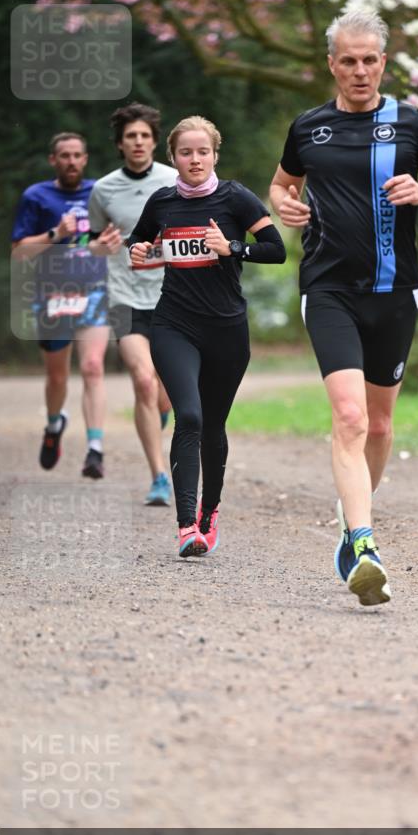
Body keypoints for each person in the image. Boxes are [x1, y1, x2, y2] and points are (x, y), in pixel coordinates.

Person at [269, 9, 418, 607]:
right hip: (328, 290)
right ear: (331, 64)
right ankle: (364, 544)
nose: (359, 70)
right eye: (348, 60)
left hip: (395, 292)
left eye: (370, 60)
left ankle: (349, 519)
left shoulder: (412, 126)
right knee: (351, 419)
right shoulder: (308, 127)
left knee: (381, 426)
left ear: (383, 63)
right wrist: (284, 205)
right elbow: (281, 185)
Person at [127, 116, 286, 558]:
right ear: (172, 157)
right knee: (190, 417)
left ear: (215, 154)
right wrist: (139, 250)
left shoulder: (235, 197)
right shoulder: (161, 203)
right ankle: (184, 527)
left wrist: (234, 248)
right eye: (185, 152)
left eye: (202, 152)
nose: (194, 160)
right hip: (174, 323)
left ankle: (209, 513)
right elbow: (139, 245)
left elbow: (277, 249)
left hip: (227, 329)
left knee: (213, 425)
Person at [88, 102, 176, 506]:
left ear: (155, 142)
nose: (138, 142)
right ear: (120, 145)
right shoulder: (103, 189)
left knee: (166, 390)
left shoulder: (176, 180)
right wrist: (98, 247)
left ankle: (158, 417)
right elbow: (91, 244)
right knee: (143, 379)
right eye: (130, 137)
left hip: (173, 295)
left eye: (144, 135)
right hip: (124, 297)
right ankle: (159, 476)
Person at [11, 132, 109, 478]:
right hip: (52, 294)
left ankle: (95, 449)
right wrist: (56, 234)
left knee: (94, 367)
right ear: (53, 160)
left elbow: (112, 240)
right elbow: (20, 252)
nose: (71, 161)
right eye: (64, 156)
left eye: (77, 155)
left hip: (94, 290)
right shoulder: (36, 197)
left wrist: (108, 244)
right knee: (57, 377)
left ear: (85, 159)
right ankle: (54, 426)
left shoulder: (101, 192)